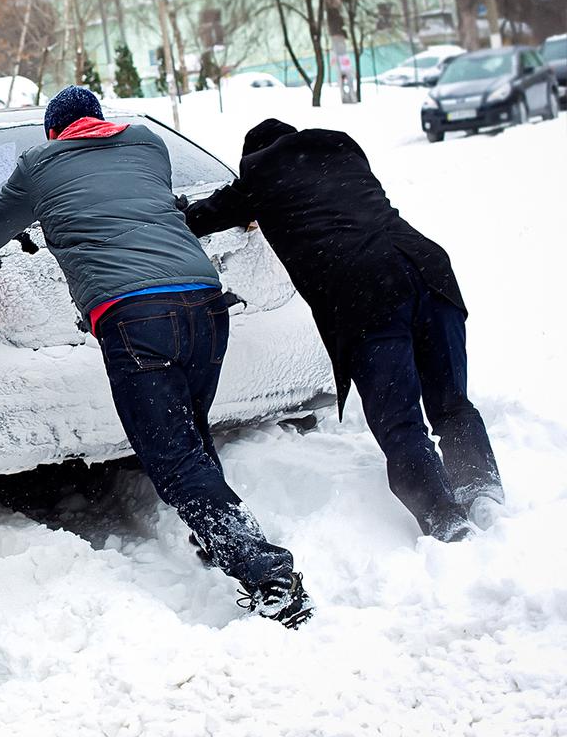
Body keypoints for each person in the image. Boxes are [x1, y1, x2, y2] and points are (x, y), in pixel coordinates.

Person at [0, 87, 313, 628]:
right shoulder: (147, 144)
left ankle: (265, 572)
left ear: (55, 132)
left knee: (171, 458)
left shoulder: (38, 165)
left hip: (136, 318)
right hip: (207, 306)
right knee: (189, 433)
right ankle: (220, 537)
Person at [183, 119, 503, 541]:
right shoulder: (341, 148)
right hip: (428, 268)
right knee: (451, 401)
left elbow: (199, 218)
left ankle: (445, 518)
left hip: (367, 291)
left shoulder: (259, 177)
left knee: (399, 419)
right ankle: (480, 489)